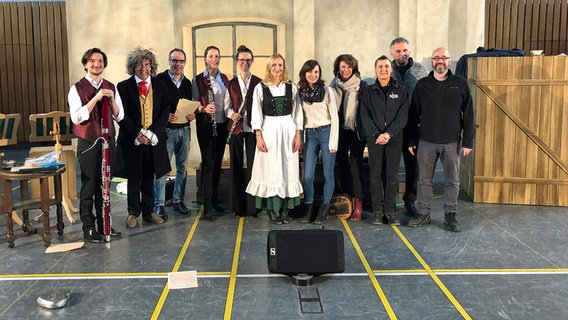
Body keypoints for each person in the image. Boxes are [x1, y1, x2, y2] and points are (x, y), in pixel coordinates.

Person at [406, 47, 475, 232]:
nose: (440, 61)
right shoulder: (422, 85)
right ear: (432, 62)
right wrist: (412, 140)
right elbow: (413, 115)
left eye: (444, 58)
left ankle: (450, 215)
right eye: (436, 58)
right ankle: (423, 213)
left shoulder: (460, 84)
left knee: (452, 180)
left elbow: (469, 114)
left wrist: (468, 141)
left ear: (449, 61)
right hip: (426, 141)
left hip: (451, 142)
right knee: (424, 180)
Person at [69, 48, 124, 243]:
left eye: (100, 61)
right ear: (85, 64)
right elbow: (77, 117)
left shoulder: (111, 86)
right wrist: (96, 98)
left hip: (108, 142)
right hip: (88, 142)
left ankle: (104, 224)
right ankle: (88, 227)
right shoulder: (76, 88)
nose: (96, 64)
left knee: (105, 185)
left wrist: (109, 99)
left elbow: (120, 115)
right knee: (89, 185)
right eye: (92, 61)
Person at [115, 47, 172, 228]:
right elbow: (121, 114)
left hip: (153, 139)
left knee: (149, 175)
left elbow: (165, 112)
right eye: (139, 65)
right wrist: (139, 133)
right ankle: (133, 213)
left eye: (146, 64)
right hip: (133, 140)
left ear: (151, 67)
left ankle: (149, 211)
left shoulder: (161, 85)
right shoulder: (123, 87)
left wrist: (151, 133)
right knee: (134, 177)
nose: (143, 68)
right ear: (133, 67)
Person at [245, 53, 303, 224]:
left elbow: (298, 112)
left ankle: (285, 209)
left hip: (288, 129)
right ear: (269, 67)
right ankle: (272, 210)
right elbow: (256, 112)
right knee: (271, 170)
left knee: (288, 167)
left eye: (280, 65)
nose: (278, 68)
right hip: (269, 129)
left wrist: (298, 134)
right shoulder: (260, 87)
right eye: (275, 65)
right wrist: (258, 136)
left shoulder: (291, 87)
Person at [360, 55, 408, 225]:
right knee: (375, 176)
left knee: (392, 176)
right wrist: (376, 134)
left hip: (394, 139)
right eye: (380, 67)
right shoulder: (368, 91)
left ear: (391, 69)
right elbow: (364, 115)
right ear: (375, 70)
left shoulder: (401, 91)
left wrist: (389, 134)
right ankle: (378, 212)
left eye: (386, 66)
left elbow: (402, 117)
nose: (383, 70)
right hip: (375, 139)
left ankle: (390, 211)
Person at [153, 48, 195, 220]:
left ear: (185, 63)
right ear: (169, 61)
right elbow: (153, 106)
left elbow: (191, 104)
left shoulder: (187, 83)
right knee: (162, 169)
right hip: (167, 131)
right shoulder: (159, 81)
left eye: (181, 61)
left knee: (182, 168)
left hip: (185, 130)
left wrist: (192, 115)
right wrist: (165, 116)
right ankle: (159, 204)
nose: (178, 64)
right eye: (174, 60)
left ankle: (178, 200)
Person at [389, 37, 429, 217]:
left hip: (414, 126)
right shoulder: (386, 70)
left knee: (414, 166)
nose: (402, 54)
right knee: (389, 165)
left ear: (409, 52)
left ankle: (409, 201)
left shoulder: (421, 70)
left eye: (404, 50)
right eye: (398, 51)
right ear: (392, 53)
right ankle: (387, 200)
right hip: (393, 126)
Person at [296, 59, 339, 225]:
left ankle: (324, 210)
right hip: (310, 134)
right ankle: (309, 208)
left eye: (316, 72)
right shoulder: (300, 93)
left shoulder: (327, 91)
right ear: (304, 73)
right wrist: (299, 137)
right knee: (307, 176)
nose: (313, 75)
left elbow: (334, 117)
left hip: (326, 132)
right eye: (310, 72)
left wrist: (333, 142)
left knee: (328, 174)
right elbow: (299, 118)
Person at [192, 45, 229, 220]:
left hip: (222, 125)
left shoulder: (224, 78)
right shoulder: (198, 80)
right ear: (205, 58)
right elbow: (194, 104)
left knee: (217, 165)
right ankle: (206, 207)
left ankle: (214, 201)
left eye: (217, 56)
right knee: (208, 165)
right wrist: (204, 108)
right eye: (211, 56)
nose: (214, 59)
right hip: (206, 126)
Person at [224, 45, 262, 217]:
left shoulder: (259, 83)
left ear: (251, 61)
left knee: (255, 166)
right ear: (237, 62)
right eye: (241, 60)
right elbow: (226, 107)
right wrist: (232, 115)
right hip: (237, 129)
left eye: (248, 60)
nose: (244, 63)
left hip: (254, 130)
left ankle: (253, 206)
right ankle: (238, 206)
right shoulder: (231, 84)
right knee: (236, 166)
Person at [329, 54, 367, 221]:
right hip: (339, 131)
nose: (345, 70)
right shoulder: (333, 86)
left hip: (356, 131)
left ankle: (358, 203)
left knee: (355, 166)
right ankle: (346, 200)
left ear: (354, 68)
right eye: (343, 67)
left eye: (349, 67)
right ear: (338, 68)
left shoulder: (362, 86)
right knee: (341, 165)